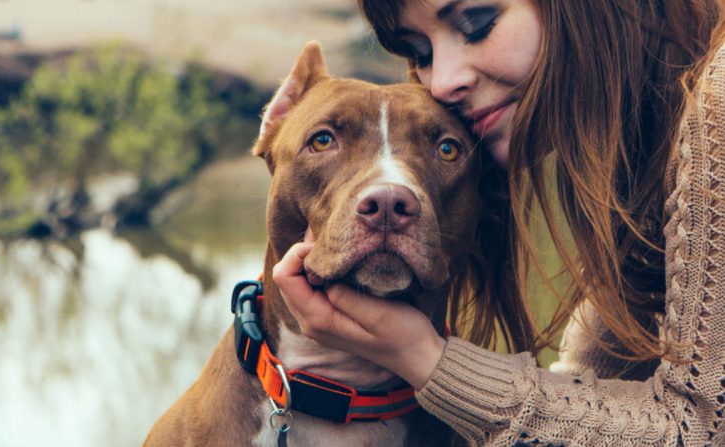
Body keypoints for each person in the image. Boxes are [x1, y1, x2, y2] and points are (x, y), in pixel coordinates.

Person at [272, 0, 725, 445]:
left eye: (477, 24)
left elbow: (699, 429)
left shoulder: (716, 106)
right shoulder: (637, 143)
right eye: (422, 54)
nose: (443, 82)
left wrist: (427, 360)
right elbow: (600, 388)